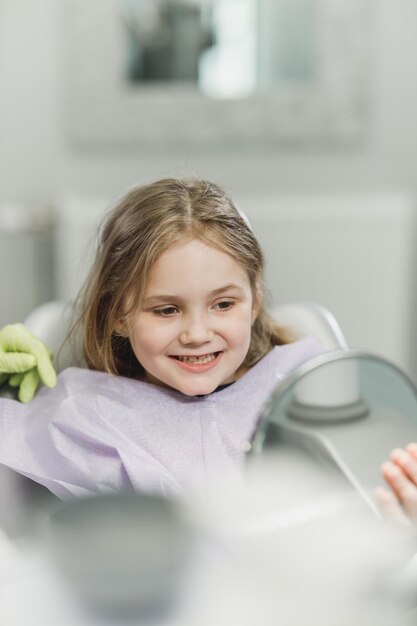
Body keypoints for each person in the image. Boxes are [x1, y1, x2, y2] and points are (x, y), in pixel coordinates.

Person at [0, 178, 324, 501]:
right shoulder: (87, 416)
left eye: (223, 304)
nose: (197, 335)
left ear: (255, 300)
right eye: (167, 310)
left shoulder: (307, 390)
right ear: (118, 315)